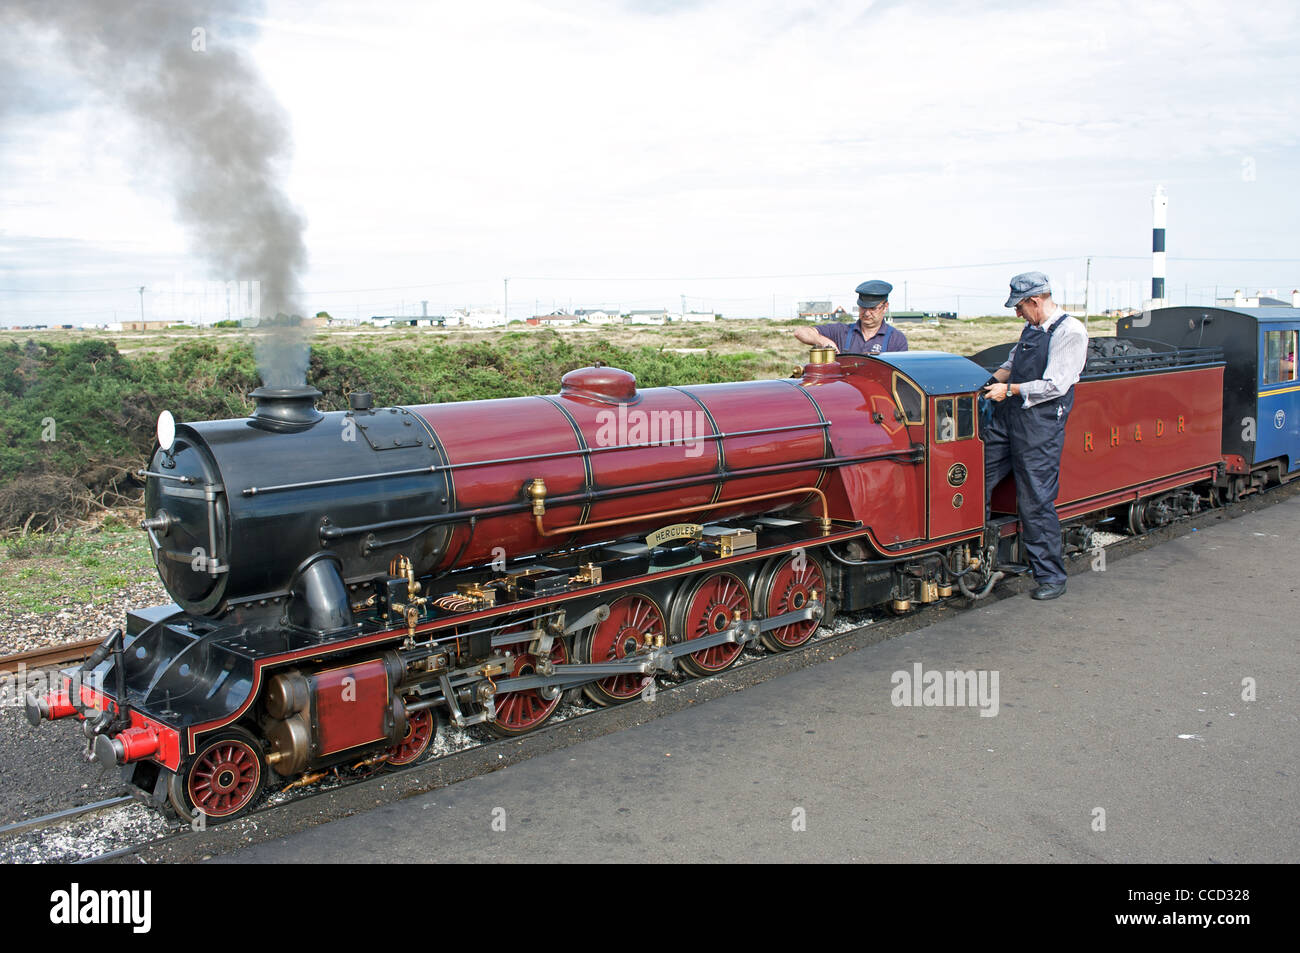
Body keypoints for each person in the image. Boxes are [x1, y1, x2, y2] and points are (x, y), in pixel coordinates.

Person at [983, 272, 1088, 601]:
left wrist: (1009, 389)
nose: (1017, 313)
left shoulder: (1070, 332)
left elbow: (1055, 385)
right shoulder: (1030, 328)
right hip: (1008, 419)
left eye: (1020, 307)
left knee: (1036, 502)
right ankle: (974, 559)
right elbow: (1012, 363)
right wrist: (985, 382)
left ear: (1036, 300)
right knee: (974, 478)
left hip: (1039, 425)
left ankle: (1051, 576)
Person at [794, 280, 908, 355]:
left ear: (885, 307)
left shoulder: (897, 340)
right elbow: (800, 332)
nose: (867, 313)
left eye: (873, 308)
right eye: (863, 307)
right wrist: (824, 341)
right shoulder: (840, 331)